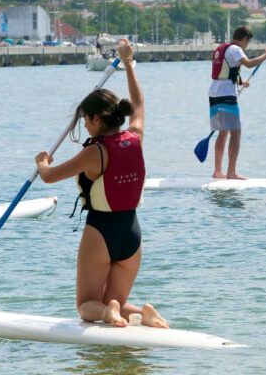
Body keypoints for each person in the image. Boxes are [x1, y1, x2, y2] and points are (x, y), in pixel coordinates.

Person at [35, 39, 167, 329]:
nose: (84, 125)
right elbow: (139, 104)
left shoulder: (94, 152)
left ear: (97, 118)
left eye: (86, 119)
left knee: (86, 306)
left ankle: (109, 314)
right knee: (113, 300)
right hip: (132, 233)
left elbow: (49, 176)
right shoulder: (135, 137)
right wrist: (129, 63)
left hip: (101, 231)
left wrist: (42, 161)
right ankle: (143, 313)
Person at [209, 25, 266, 180]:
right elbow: (249, 64)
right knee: (235, 132)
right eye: (247, 43)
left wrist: (239, 81)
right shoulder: (236, 49)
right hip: (226, 94)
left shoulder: (221, 49)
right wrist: (265, 55)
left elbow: (224, 72)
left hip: (214, 93)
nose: (246, 46)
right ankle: (231, 172)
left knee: (223, 132)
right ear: (244, 39)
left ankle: (217, 171)